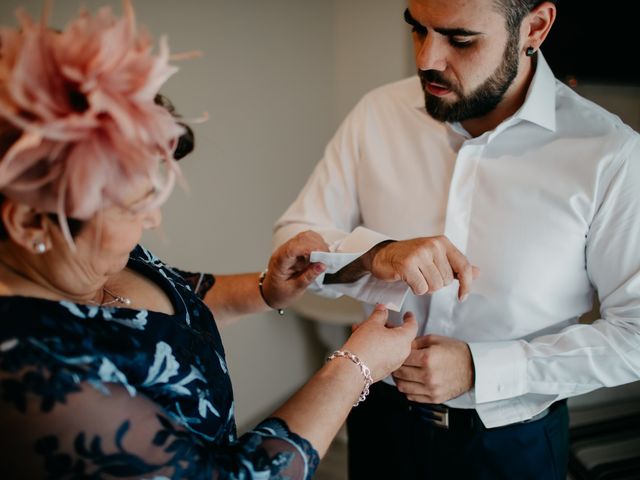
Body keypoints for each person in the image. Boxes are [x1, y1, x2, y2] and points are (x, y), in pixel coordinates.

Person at [0, 3, 419, 479]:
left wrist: (267, 289)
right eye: (134, 206)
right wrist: (355, 366)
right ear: (30, 224)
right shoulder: (34, 367)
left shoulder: (85, 255)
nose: (154, 216)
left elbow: (179, 301)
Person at [273, 0, 640, 478]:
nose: (426, 58)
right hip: (378, 420)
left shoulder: (610, 155)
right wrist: (373, 255)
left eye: (460, 39)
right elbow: (291, 245)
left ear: (535, 27)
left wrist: (482, 369)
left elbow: (635, 335)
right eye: (417, 29)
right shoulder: (378, 113)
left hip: (512, 445)